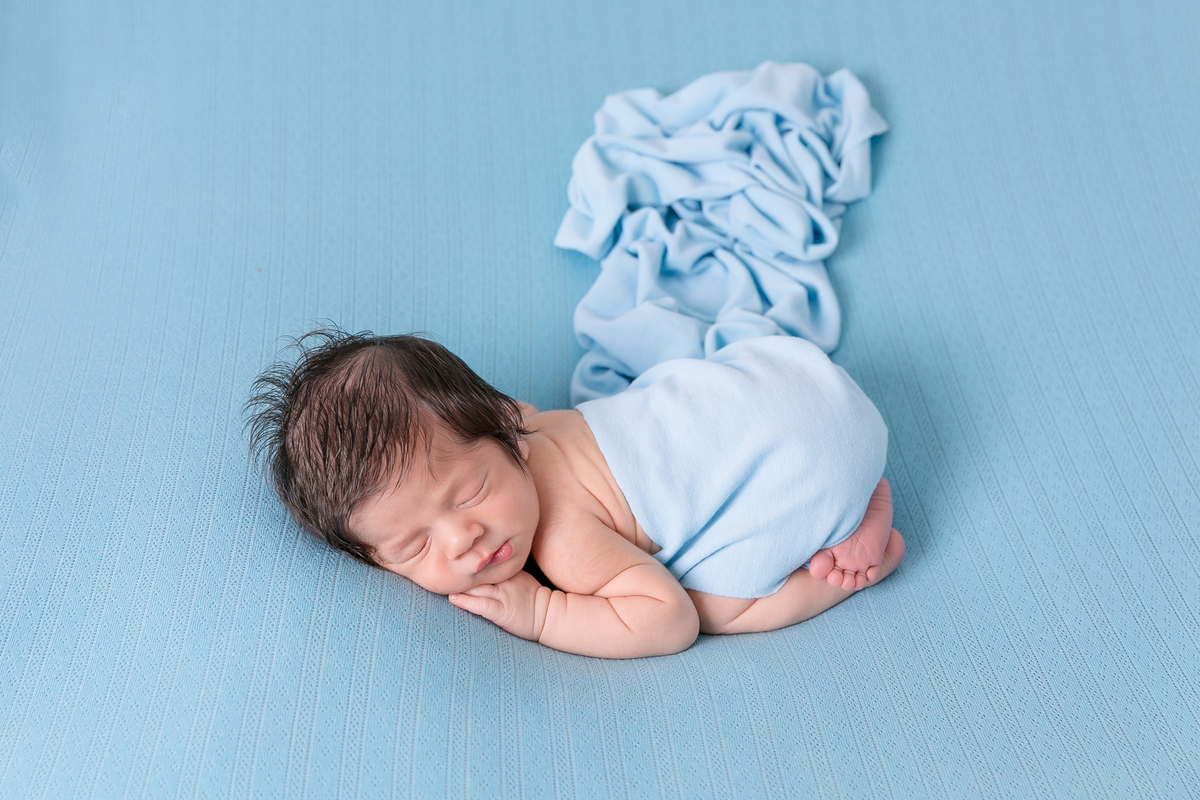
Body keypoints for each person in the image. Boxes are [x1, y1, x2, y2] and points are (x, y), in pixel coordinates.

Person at [246, 328, 904, 659]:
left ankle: (861, 556)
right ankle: (861, 487)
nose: (462, 539)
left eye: (470, 493)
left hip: (804, 468)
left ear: (509, 435)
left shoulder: (566, 541)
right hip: (793, 376)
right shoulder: (520, 418)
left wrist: (541, 615)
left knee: (713, 609)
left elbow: (666, 624)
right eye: (414, 545)